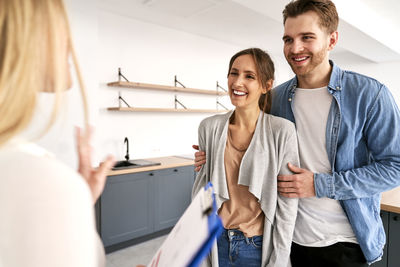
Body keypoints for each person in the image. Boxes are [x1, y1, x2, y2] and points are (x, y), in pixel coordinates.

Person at [194, 0, 400, 266]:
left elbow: (395, 167)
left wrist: (320, 184)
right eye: (288, 39)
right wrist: (211, 154)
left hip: (344, 243)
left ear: (332, 39)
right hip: (286, 239)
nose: (295, 48)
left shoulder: (369, 95)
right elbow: (255, 149)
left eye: (307, 38)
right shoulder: (276, 98)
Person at [0, 0, 115, 266]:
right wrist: (64, 198)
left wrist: (77, 201)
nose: (70, 42)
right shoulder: (40, 182)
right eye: (60, 24)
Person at [192, 48, 299, 267]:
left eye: (249, 76)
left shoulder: (282, 131)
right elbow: (201, 192)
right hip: (217, 242)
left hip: (257, 248)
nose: (237, 82)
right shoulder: (209, 127)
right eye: (234, 73)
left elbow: (287, 204)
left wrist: (278, 259)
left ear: (266, 85)